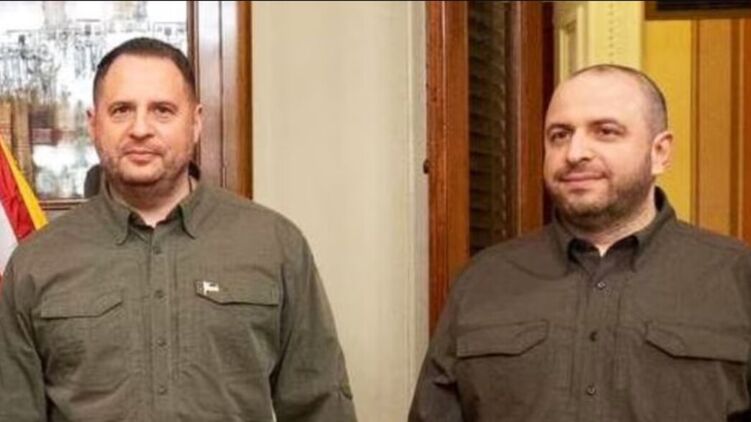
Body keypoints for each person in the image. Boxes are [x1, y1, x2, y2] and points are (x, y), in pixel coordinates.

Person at [0, 37, 356, 422]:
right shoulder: (37, 262)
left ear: (196, 122)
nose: (140, 129)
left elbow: (320, 405)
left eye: (162, 110)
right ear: (94, 124)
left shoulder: (275, 245)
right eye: (121, 110)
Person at [409, 64, 751, 421]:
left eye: (605, 131)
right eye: (559, 135)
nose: (574, 153)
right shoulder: (484, 280)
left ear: (660, 152)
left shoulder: (736, 277)